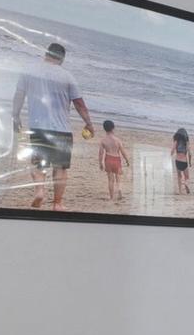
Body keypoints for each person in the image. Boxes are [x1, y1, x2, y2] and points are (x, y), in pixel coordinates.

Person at [11, 41, 93, 210]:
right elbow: (79, 104)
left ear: (46, 53)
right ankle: (57, 203)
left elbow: (19, 95)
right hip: (62, 130)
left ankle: (40, 192)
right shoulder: (67, 77)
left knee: (38, 164)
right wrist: (88, 123)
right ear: (62, 59)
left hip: (38, 127)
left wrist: (16, 116)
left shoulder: (29, 70)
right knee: (60, 168)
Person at [97, 119, 128, 203]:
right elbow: (123, 151)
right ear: (113, 128)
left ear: (104, 129)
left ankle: (111, 197)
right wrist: (127, 160)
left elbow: (100, 153)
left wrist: (100, 163)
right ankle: (119, 191)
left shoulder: (103, 140)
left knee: (110, 180)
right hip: (117, 159)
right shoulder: (117, 140)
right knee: (118, 178)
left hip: (108, 159)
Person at [170, 128, 193, 194]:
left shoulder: (176, 140)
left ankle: (180, 191)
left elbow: (173, 150)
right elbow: (190, 153)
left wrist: (169, 157)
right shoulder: (186, 142)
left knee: (179, 176)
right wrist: (190, 162)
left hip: (177, 161)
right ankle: (185, 183)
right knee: (187, 177)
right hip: (184, 162)